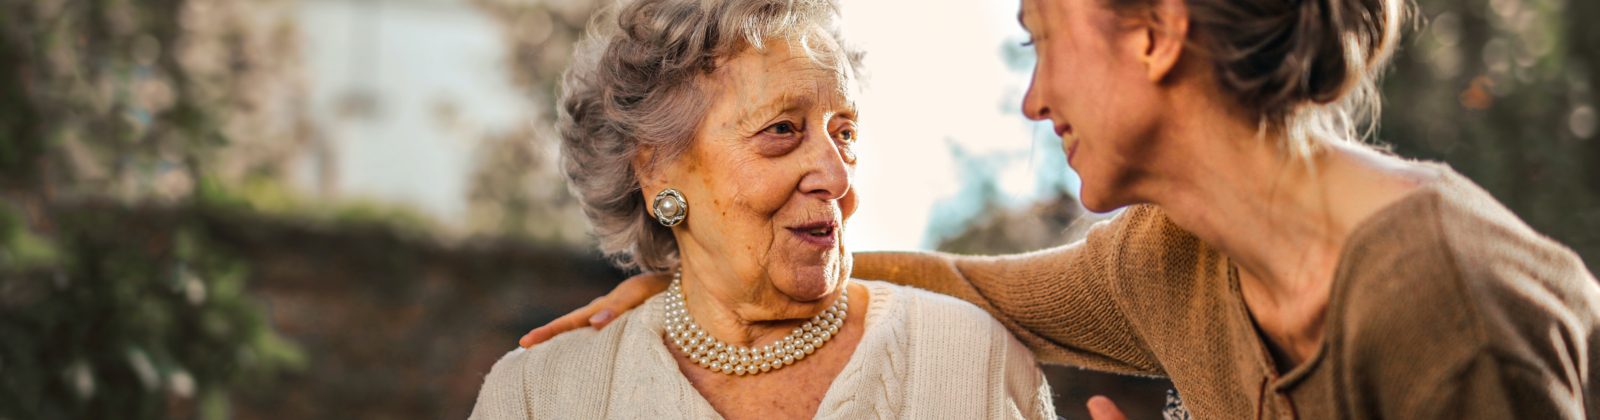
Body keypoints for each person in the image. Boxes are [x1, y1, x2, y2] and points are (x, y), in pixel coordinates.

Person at [519, 0, 1600, 417]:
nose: (1033, 97)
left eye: (1041, 38)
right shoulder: (1171, 259)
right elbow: (961, 283)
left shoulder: (1438, 303)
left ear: (1154, 32)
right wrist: (689, 278)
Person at [469, 0, 1056, 418]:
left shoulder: (973, 362)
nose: (836, 175)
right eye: (781, 129)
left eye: (844, 133)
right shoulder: (537, 397)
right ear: (656, 170)